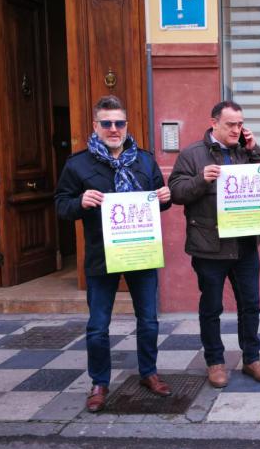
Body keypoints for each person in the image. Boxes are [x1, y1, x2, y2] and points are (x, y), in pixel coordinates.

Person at [55, 95, 172, 413]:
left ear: (126, 125)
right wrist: (80, 201)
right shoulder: (77, 164)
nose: (113, 129)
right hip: (101, 255)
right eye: (106, 123)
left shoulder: (145, 161)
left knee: (148, 320)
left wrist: (165, 196)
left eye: (119, 122)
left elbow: (160, 200)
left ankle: (149, 373)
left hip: (140, 252)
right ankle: (99, 382)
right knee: (98, 326)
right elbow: (61, 206)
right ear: (96, 126)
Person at [168, 100, 260, 388]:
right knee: (211, 307)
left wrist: (255, 151)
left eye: (240, 124)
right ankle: (215, 362)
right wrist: (201, 180)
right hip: (209, 245)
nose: (237, 130)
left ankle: (252, 358)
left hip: (245, 244)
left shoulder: (246, 151)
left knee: (250, 305)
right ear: (214, 123)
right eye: (231, 124)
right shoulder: (192, 154)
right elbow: (176, 193)